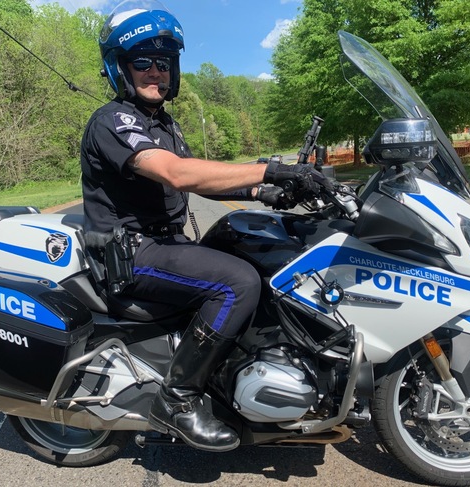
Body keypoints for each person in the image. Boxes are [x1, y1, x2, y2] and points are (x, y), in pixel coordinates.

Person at [81, 0, 331, 452]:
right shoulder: (113, 120)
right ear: (120, 68)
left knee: (256, 249)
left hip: (165, 244)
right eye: (143, 62)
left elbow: (205, 180)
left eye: (163, 63)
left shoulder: (164, 124)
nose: (155, 72)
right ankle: (176, 399)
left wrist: (268, 193)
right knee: (237, 283)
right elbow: (177, 174)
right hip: (132, 255)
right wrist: (270, 170)